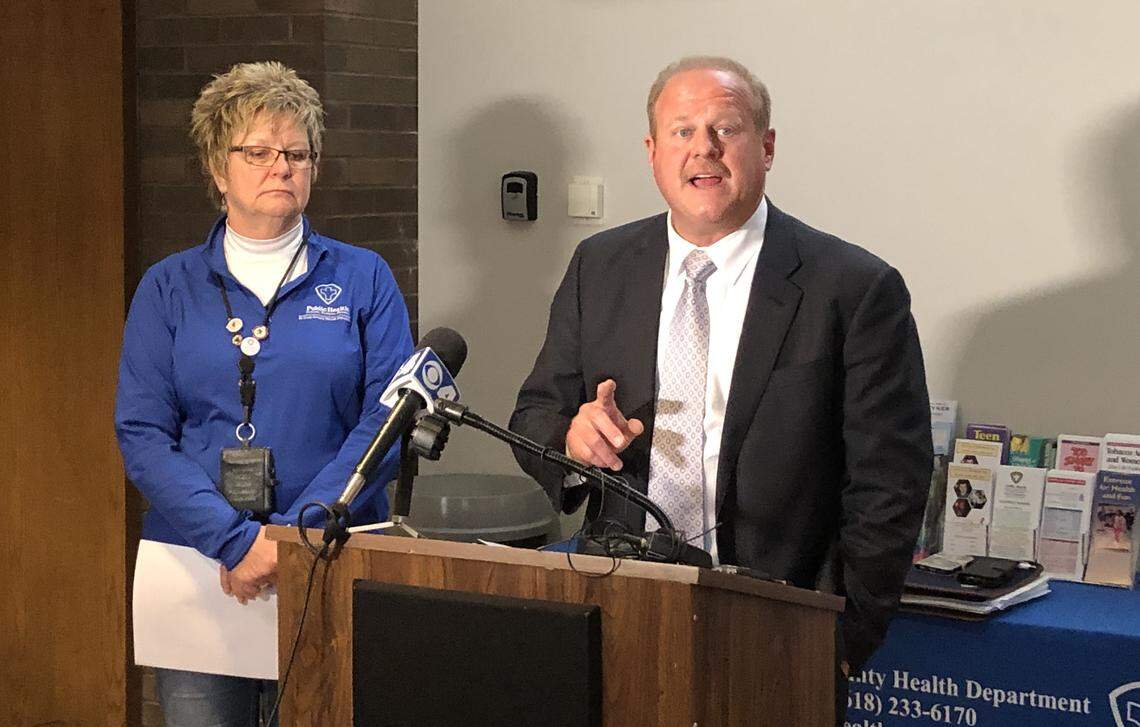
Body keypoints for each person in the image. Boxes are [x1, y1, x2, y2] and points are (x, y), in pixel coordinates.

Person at [510, 56, 932, 718]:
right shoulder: (601, 266)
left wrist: (837, 640)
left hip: (777, 627)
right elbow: (535, 410)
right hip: (617, 609)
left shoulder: (852, 288)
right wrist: (570, 437)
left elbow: (891, 486)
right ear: (652, 153)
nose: (701, 149)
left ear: (766, 146)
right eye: (680, 131)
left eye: (724, 128)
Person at [115, 61, 413, 726]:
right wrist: (233, 540)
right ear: (217, 171)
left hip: (328, 560)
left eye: (297, 152)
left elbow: (387, 421)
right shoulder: (167, 287)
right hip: (198, 569)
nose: (281, 166)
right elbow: (141, 433)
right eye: (258, 151)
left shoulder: (364, 279)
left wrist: (294, 534)